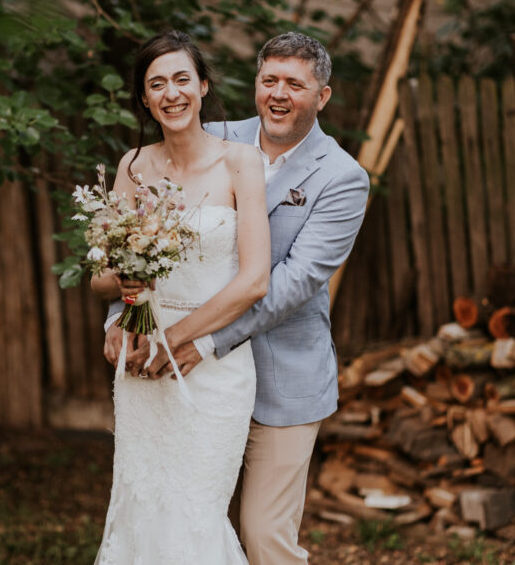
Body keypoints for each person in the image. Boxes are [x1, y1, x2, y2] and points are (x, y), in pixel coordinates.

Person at [112, 31, 370, 564]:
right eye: (269, 79)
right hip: (186, 378)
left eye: (294, 84)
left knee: (262, 534)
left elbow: (290, 285)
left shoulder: (343, 178)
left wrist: (203, 342)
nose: (279, 94)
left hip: (279, 378)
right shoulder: (210, 137)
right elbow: (142, 244)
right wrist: (125, 315)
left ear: (322, 96)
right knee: (191, 526)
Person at [90, 30, 270, 564]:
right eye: (157, 84)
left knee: (197, 511)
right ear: (144, 99)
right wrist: (125, 291)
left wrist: (175, 338)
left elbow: (254, 280)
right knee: (142, 506)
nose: (171, 93)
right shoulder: (132, 166)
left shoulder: (241, 162)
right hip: (143, 362)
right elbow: (101, 277)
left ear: (203, 86)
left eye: (181, 79)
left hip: (212, 366)